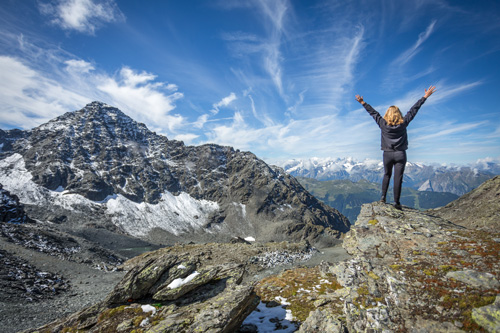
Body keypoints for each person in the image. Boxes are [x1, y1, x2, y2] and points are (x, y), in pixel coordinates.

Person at [355, 86, 436, 210]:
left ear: (387, 114)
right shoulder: (404, 123)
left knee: (387, 175)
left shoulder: (383, 124)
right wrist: (425, 97)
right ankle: (397, 202)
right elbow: (414, 109)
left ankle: (383, 197)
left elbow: (373, 113)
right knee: (398, 178)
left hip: (387, 154)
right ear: (399, 114)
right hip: (400, 154)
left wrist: (362, 102)